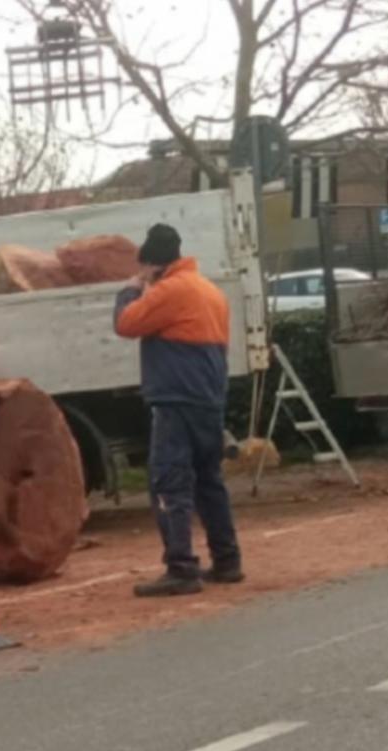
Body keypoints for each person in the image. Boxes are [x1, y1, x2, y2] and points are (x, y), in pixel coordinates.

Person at [113, 223, 243, 597]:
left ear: (153, 264)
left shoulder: (171, 290)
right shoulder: (208, 289)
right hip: (208, 398)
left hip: (176, 399)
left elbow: (126, 324)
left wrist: (130, 289)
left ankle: (181, 567)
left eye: (145, 269)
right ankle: (227, 559)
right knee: (209, 481)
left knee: (169, 482)